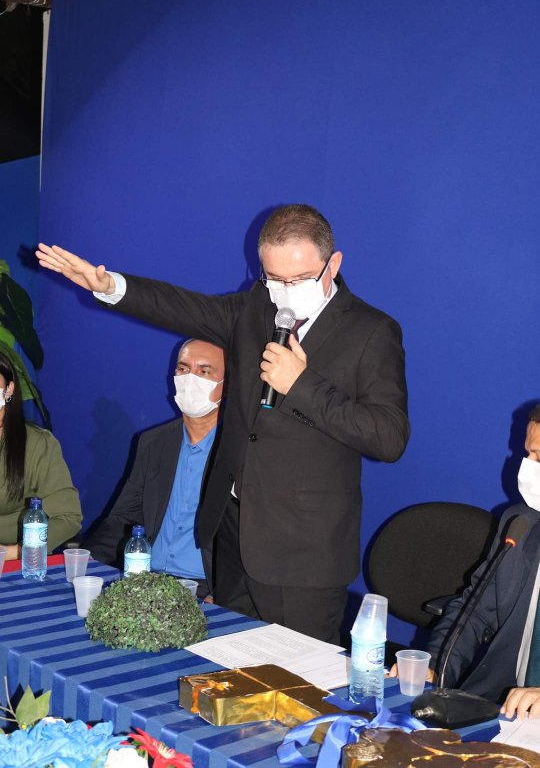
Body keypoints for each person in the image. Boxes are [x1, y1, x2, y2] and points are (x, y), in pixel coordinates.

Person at [36, 203, 409, 642]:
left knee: (292, 678)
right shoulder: (256, 307)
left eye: (300, 280)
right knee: (227, 668)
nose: (285, 293)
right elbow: (183, 307)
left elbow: (389, 437)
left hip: (302, 552)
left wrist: (302, 385)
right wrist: (110, 286)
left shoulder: (371, 331)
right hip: (231, 532)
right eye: (274, 278)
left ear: (334, 263)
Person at [390, 404, 540, 719]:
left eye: (539, 457)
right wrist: (434, 666)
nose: (528, 466)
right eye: (528, 453)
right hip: (499, 703)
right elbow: (474, 610)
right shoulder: (521, 523)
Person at [86, 338, 225, 598]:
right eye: (183, 369)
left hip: (207, 589)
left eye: (205, 371)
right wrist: (84, 565)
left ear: (227, 385)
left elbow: (254, 539)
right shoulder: (154, 443)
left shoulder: (241, 450)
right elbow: (122, 518)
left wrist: (228, 595)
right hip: (145, 581)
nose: (190, 379)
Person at [0, 350, 82, 559]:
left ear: (9, 390)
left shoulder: (38, 444)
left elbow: (68, 517)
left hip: (17, 560)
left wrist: (16, 551)